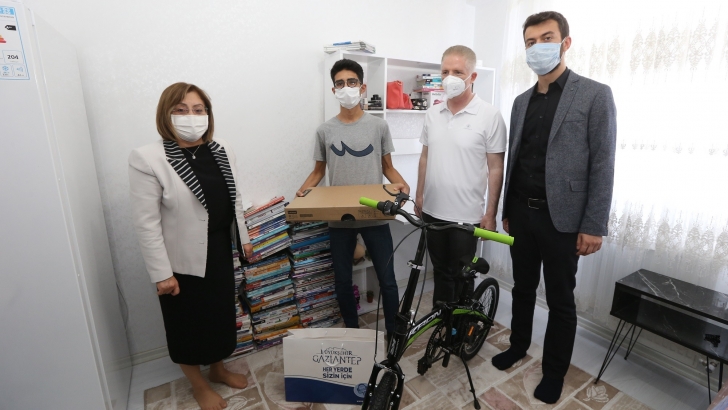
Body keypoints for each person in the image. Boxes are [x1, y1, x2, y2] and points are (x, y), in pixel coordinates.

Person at [491, 11, 617, 404]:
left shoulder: (594, 94)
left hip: (563, 219)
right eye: (530, 42)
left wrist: (594, 224)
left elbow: (603, 163)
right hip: (521, 213)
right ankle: (518, 345)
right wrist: (506, 209)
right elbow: (516, 157)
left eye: (546, 38)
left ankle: (554, 372)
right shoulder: (520, 101)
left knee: (561, 300)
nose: (537, 47)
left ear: (565, 42)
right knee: (522, 287)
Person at [128, 83, 252, 410]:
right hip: (180, 261)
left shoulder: (221, 148)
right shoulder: (147, 158)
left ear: (208, 114)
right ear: (166, 115)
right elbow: (146, 223)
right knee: (188, 326)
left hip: (219, 250)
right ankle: (198, 385)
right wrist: (161, 274)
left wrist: (244, 238)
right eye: (181, 110)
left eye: (198, 110)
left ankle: (218, 369)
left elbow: (235, 198)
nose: (191, 116)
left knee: (219, 317)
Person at [297, 58, 408, 338]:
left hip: (374, 214)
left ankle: (393, 332)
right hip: (340, 218)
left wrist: (403, 184)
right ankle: (353, 333)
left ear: (362, 87)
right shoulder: (325, 130)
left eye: (352, 82)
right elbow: (318, 172)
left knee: (388, 279)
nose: (346, 88)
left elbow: (387, 167)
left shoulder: (379, 126)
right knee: (342, 281)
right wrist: (301, 193)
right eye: (340, 83)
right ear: (334, 90)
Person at [415, 45, 507, 306]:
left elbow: (496, 167)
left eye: (457, 72)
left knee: (462, 276)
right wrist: (419, 195)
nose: (450, 78)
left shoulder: (490, 115)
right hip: (433, 211)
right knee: (440, 272)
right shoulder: (433, 113)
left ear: (472, 76)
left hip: (466, 216)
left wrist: (490, 213)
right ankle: (443, 321)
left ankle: (461, 325)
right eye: (445, 71)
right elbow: (425, 156)